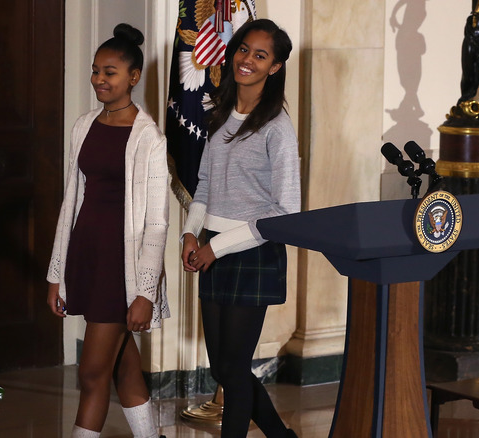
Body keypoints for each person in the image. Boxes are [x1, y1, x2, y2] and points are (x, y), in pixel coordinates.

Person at [46, 23, 170, 438]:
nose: (100, 79)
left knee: (92, 373)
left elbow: (157, 222)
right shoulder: (83, 125)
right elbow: (70, 204)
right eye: (96, 70)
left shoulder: (149, 138)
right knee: (123, 364)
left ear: (133, 77)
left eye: (110, 72)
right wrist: (56, 274)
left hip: (123, 270)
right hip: (87, 255)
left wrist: (144, 292)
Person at [180, 19, 300, 438]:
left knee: (233, 368)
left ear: (276, 67)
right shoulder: (219, 114)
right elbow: (206, 186)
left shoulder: (278, 129)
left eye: (260, 55)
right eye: (244, 49)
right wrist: (192, 234)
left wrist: (219, 247)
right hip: (212, 245)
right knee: (223, 367)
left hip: (252, 250)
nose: (246, 60)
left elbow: (285, 211)